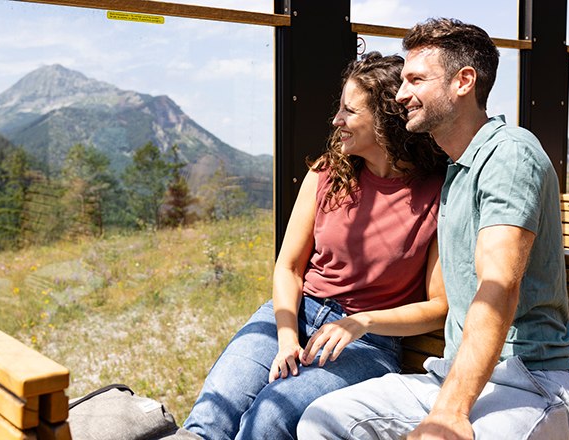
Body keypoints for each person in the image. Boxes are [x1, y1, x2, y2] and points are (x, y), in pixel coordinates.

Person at [298, 18, 569, 440]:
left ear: (463, 81)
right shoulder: (455, 169)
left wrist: (449, 412)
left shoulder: (509, 154)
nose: (400, 94)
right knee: (321, 420)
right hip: (453, 374)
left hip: (529, 382)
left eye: (416, 79)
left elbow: (499, 287)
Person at [182, 52, 449, 440]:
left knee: (267, 423)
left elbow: (439, 307)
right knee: (209, 418)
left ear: (386, 120)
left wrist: (363, 322)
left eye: (348, 111)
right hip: (295, 315)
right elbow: (289, 268)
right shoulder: (326, 173)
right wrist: (287, 335)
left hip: (367, 343)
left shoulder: (437, 194)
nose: (336, 120)